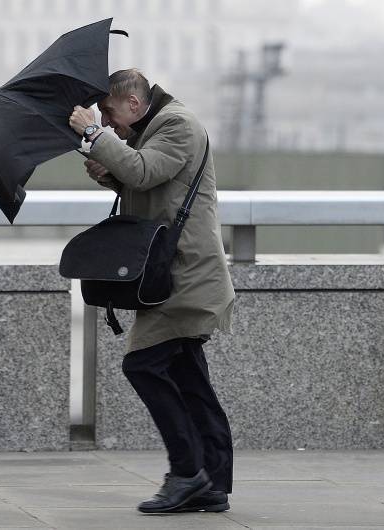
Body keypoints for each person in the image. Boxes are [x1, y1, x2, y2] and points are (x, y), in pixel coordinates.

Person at [69, 69, 235, 514]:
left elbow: (143, 172)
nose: (109, 120)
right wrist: (110, 173)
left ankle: (188, 473)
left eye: (110, 112)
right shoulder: (153, 127)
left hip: (187, 276)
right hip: (172, 275)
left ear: (134, 103)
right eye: (103, 116)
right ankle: (211, 482)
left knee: (142, 365)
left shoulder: (177, 124)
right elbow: (151, 186)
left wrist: (95, 134)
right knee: (188, 378)